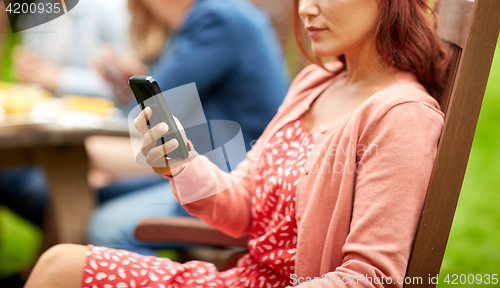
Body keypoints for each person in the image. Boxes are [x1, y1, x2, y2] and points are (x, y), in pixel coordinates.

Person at [24, 0, 450, 286]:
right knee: (59, 263)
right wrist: (181, 163)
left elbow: (371, 276)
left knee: (64, 267)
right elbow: (244, 204)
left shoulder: (401, 116)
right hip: (238, 276)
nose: (306, 8)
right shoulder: (316, 83)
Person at [85, 0, 288, 255]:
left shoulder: (216, 20)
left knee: (108, 226)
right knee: (92, 192)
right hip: (211, 165)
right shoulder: (215, 15)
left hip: (234, 179)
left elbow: (155, 107)